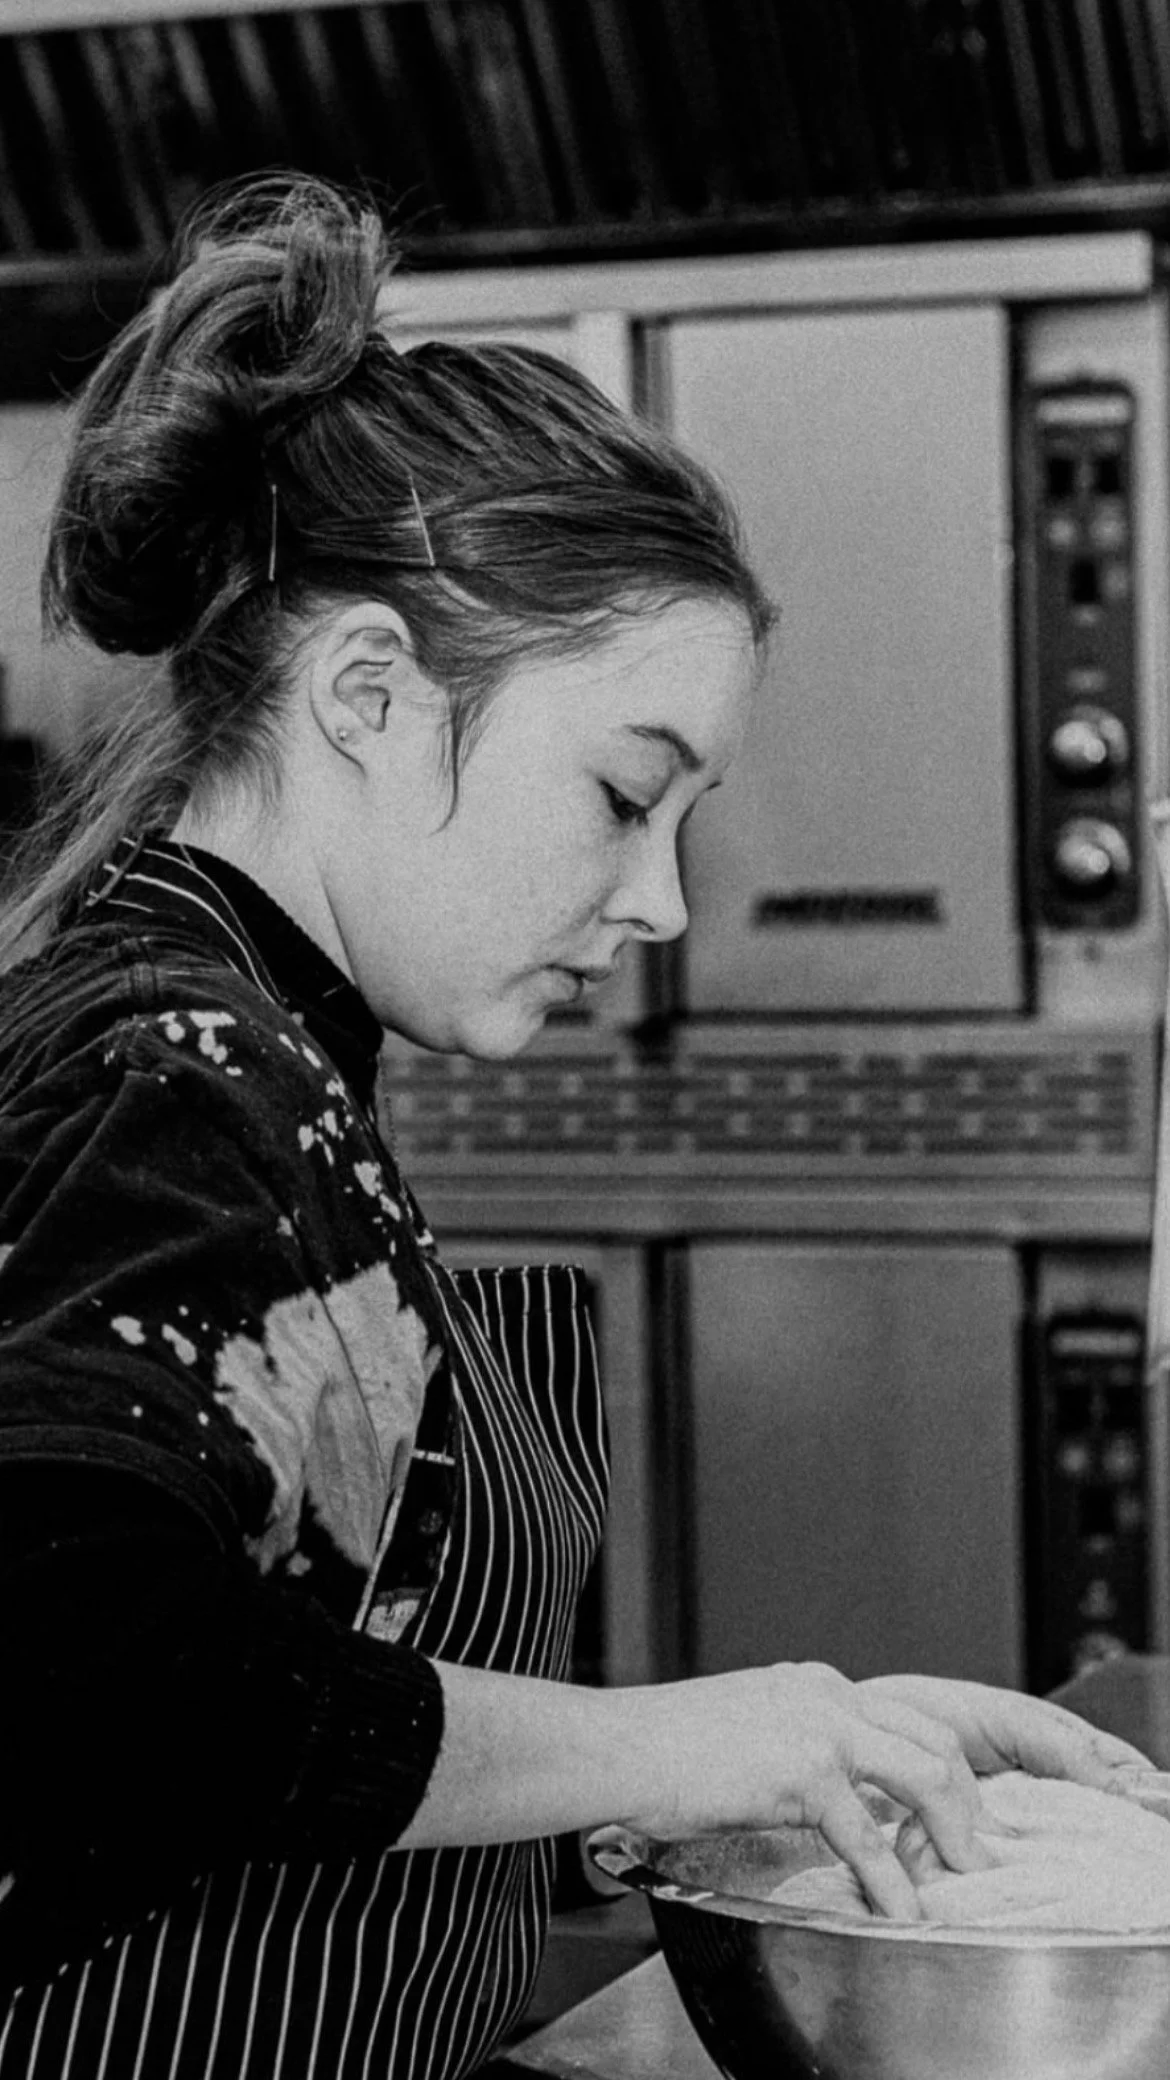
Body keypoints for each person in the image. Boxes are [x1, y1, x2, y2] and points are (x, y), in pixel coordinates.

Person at [0, 176, 1146, 2080]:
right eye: (627, 794)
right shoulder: (180, 1074)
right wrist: (673, 1736)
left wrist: (749, 1763)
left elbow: (287, 1686)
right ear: (367, 691)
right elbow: (75, 1681)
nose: (661, 902)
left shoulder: (248, 1043)